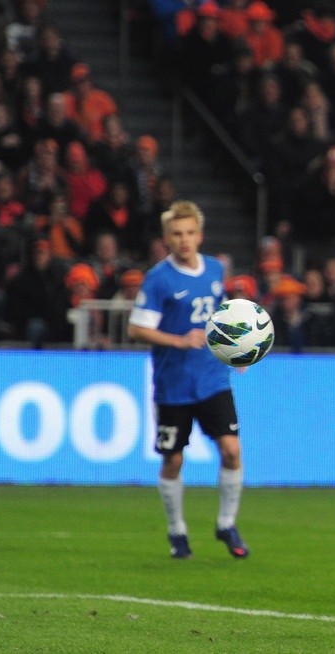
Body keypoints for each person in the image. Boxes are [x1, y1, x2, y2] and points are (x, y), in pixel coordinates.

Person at [127, 200, 249, 560]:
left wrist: (235, 350)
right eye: (177, 234)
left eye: (190, 233)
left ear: (200, 235)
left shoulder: (214, 269)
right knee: (174, 461)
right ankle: (177, 531)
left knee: (232, 450)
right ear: (167, 238)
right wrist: (179, 340)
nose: (184, 239)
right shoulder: (158, 278)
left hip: (213, 378)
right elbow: (137, 329)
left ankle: (226, 523)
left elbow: (221, 316)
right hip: (174, 385)